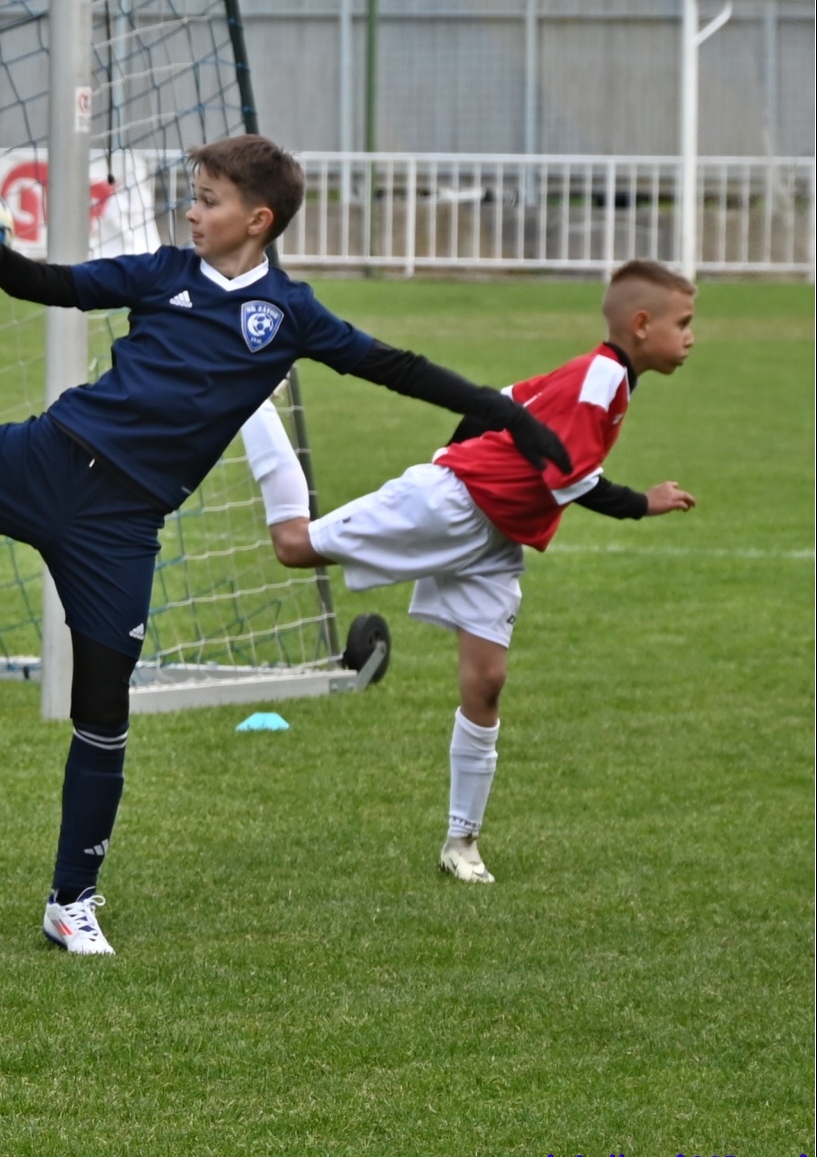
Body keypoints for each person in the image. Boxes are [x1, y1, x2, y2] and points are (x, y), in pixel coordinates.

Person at [0, 133, 573, 955]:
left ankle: (71, 901)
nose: (192, 211)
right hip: (49, 460)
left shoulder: (290, 314)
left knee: (103, 709)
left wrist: (510, 416)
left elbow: (398, 367)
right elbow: (60, 285)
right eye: (194, 195)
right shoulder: (161, 273)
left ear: (258, 220)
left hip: (123, 527)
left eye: (209, 200)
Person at [239, 258, 696, 884]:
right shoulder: (601, 377)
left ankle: (462, 844)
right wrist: (643, 503)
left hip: (495, 535)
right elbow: (569, 479)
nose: (691, 337)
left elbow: (501, 403)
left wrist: (458, 451)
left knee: (486, 682)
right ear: (642, 325)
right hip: (454, 505)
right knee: (293, 545)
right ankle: (246, 398)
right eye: (683, 323)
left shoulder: (603, 379)